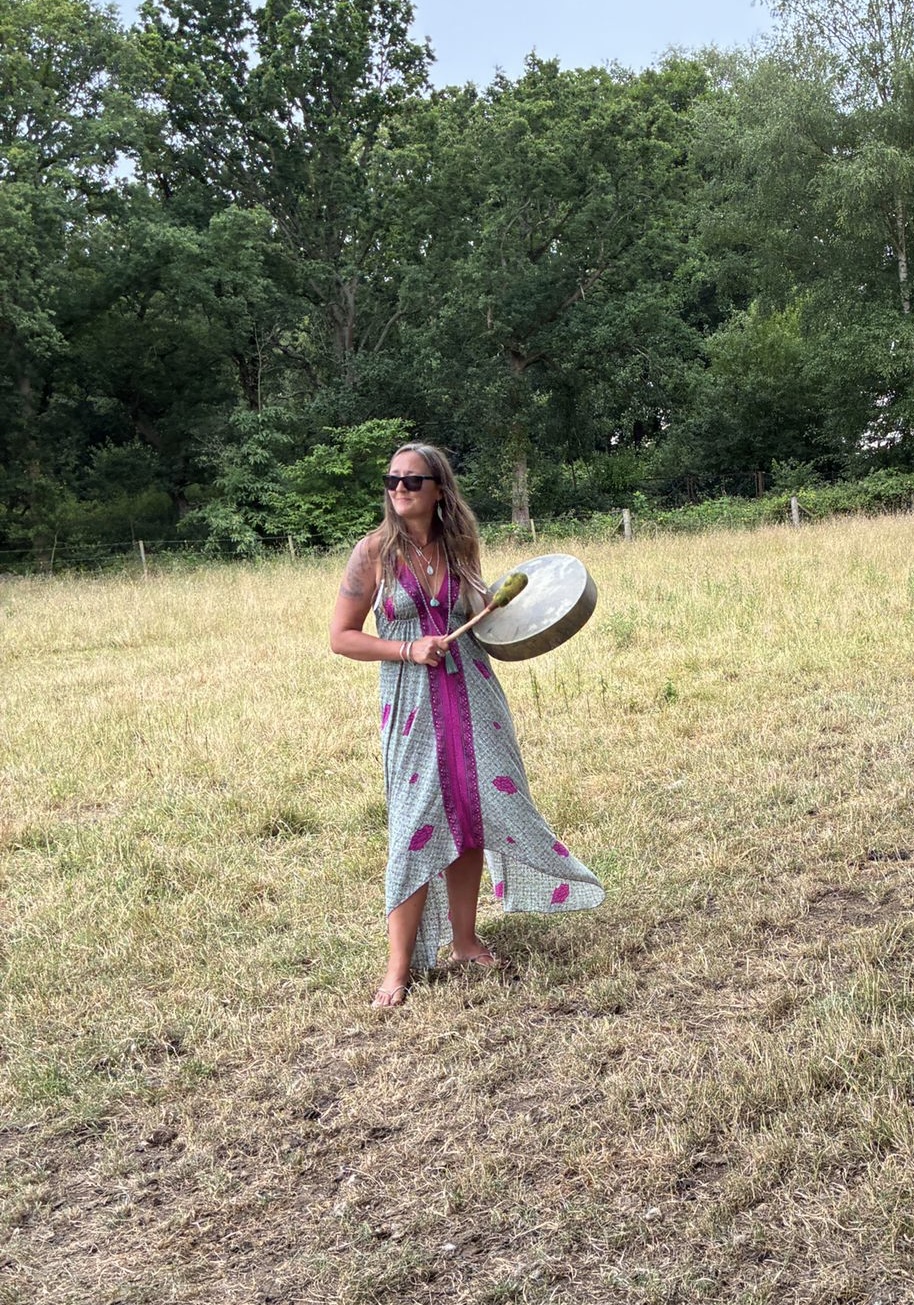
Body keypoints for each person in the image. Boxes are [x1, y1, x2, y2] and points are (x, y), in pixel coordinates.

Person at [329, 442, 605, 1007]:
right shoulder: (374, 553)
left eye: (412, 480)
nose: (399, 488)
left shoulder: (458, 548)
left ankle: (465, 939)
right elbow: (342, 637)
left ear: (439, 489)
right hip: (411, 703)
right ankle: (399, 967)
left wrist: (510, 603)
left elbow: (481, 617)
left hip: (474, 696)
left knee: (470, 815)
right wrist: (408, 649)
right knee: (415, 825)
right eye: (392, 480)